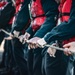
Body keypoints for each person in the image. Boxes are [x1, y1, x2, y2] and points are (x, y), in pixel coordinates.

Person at [28, 0, 75, 75]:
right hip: (63, 43)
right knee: (48, 64)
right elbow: (60, 22)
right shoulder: (62, 4)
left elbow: (72, 25)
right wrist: (56, 42)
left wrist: (46, 38)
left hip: (69, 47)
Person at [21, 0, 59, 75]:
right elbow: (34, 19)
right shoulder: (32, 2)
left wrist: (39, 36)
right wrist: (29, 31)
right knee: (30, 62)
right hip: (35, 34)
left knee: (38, 66)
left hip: (44, 36)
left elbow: (52, 17)